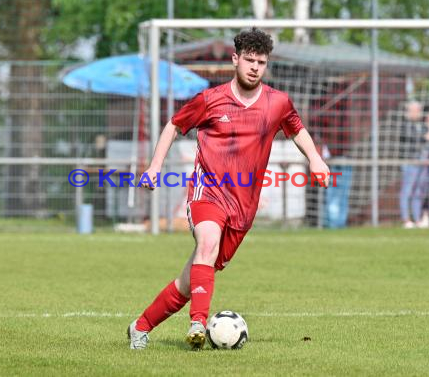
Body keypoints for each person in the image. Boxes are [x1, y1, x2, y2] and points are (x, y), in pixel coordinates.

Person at [127, 28, 330, 350]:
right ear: (235, 60)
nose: (254, 67)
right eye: (249, 60)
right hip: (207, 193)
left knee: (189, 280)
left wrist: (316, 160)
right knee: (207, 244)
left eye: (261, 62)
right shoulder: (210, 99)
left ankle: (140, 326)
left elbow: (296, 129)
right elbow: (174, 126)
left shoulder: (278, 103)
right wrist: (154, 167)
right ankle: (198, 322)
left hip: (243, 207)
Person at [399, 101, 425, 228]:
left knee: (418, 191)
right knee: (407, 190)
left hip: (420, 160)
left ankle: (417, 219)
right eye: (416, 110)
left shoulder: (420, 125)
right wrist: (425, 138)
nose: (418, 113)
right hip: (410, 161)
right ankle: (406, 219)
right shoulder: (406, 125)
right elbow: (412, 139)